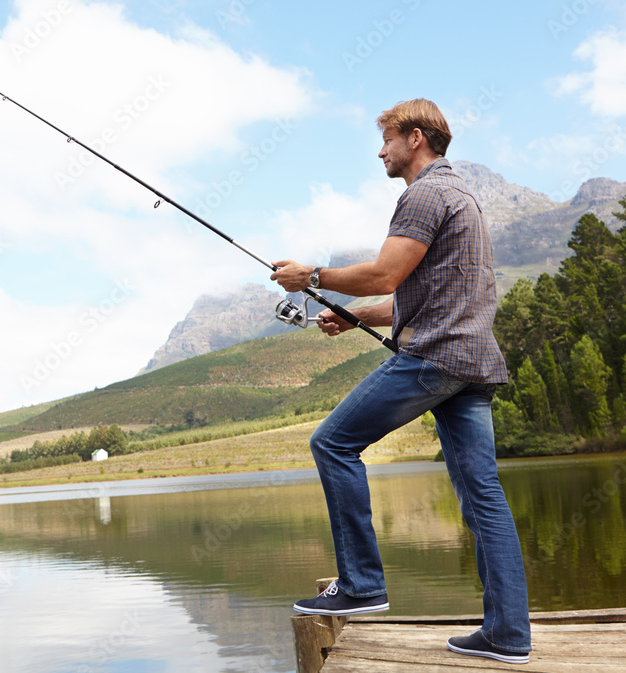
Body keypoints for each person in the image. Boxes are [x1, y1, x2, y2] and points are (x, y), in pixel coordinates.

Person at [270, 99, 532, 665]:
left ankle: (362, 585)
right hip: (473, 365)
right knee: (484, 497)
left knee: (332, 443)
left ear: (415, 138)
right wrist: (354, 314)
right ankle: (508, 634)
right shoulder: (463, 196)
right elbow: (418, 294)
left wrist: (309, 275)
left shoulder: (424, 193)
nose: (380, 151)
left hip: (435, 358)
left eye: (386, 139)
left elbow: (387, 272)